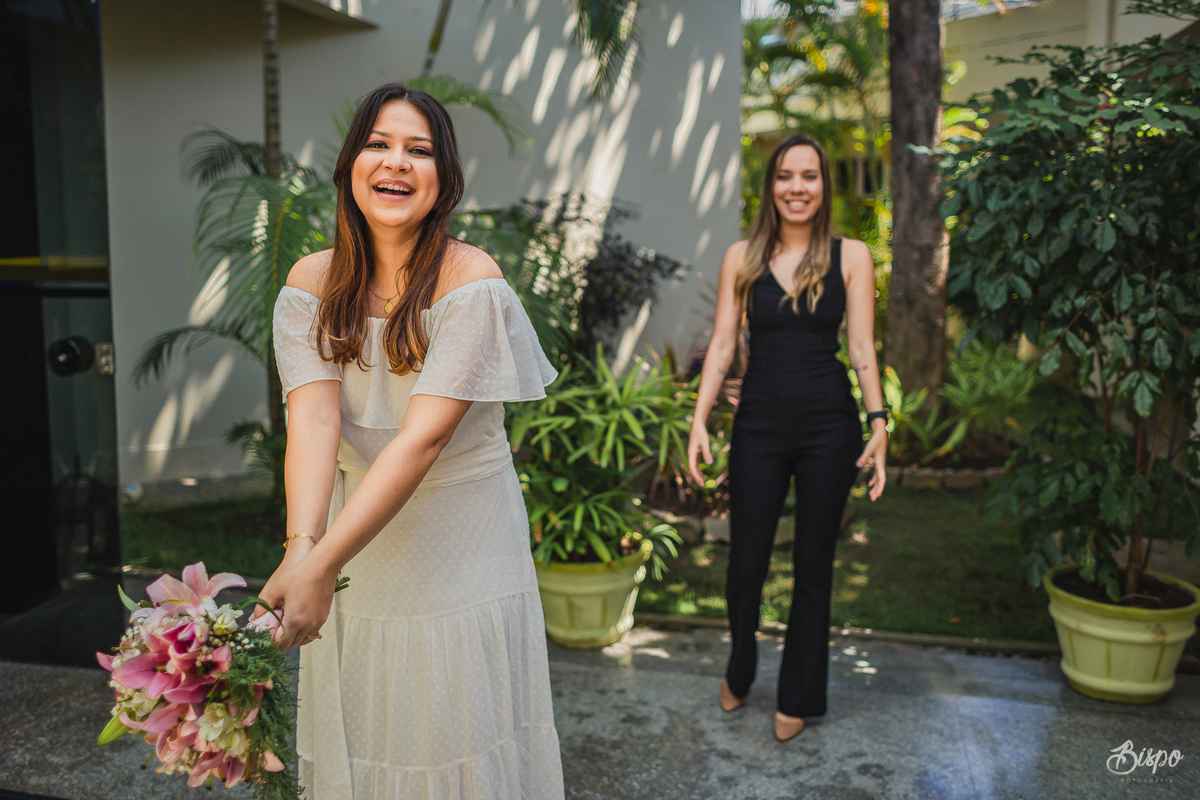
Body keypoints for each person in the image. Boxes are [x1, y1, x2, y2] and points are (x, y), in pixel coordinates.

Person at [253, 83, 565, 799]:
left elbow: (423, 441)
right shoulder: (309, 283)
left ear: (443, 179)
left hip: (464, 534)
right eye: (379, 144)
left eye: (418, 150)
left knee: (457, 725)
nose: (397, 162)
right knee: (370, 718)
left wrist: (322, 564)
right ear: (350, 167)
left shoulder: (471, 280)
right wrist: (302, 549)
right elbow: (314, 422)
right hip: (356, 528)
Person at [687, 133, 888, 742]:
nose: (796, 187)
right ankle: (741, 668)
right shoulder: (742, 257)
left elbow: (861, 347)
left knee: (813, 567)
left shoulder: (851, 256)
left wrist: (879, 423)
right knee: (746, 565)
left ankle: (799, 694)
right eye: (785, 176)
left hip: (830, 426)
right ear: (770, 186)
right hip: (759, 427)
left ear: (823, 186)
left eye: (809, 176)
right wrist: (699, 418)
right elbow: (724, 344)